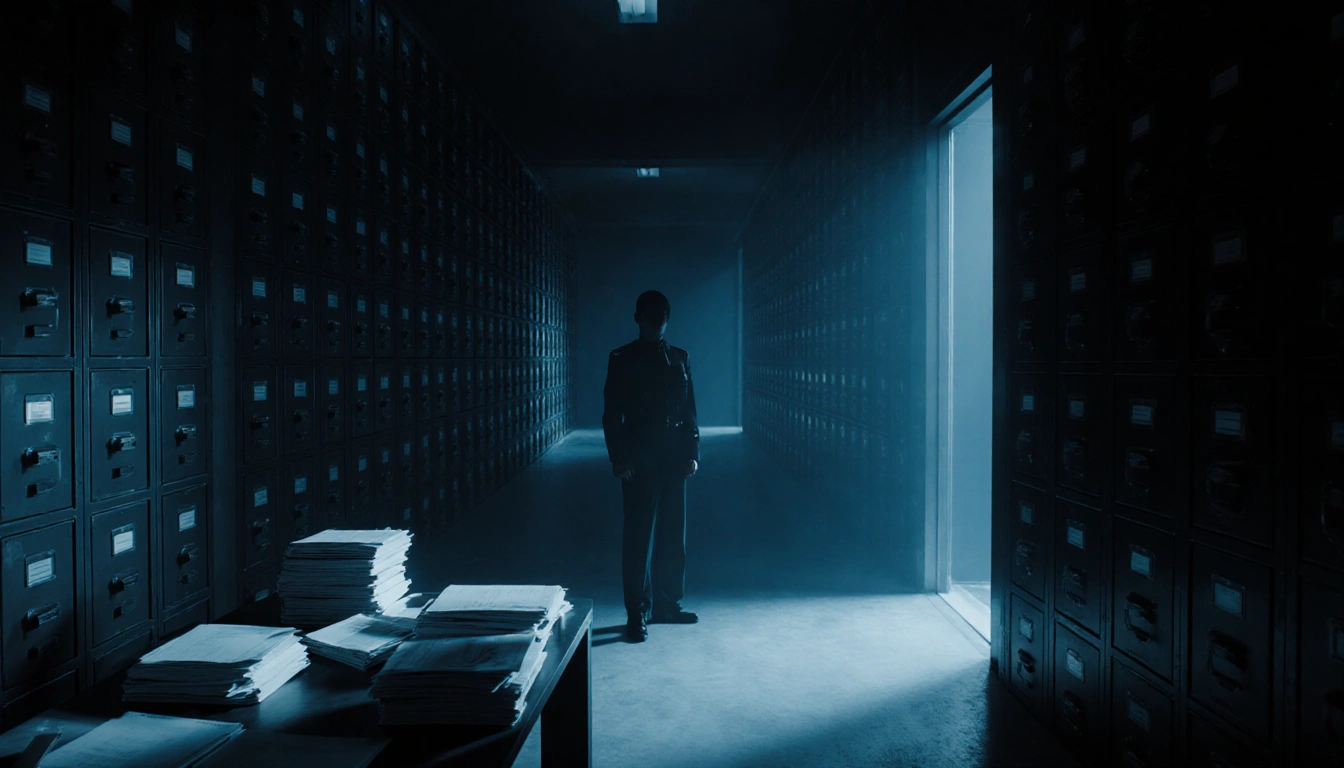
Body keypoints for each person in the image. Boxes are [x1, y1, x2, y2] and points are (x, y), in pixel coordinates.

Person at [603, 290, 701, 642]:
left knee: (674, 535)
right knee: (638, 538)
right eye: (650, 319)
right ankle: (636, 613)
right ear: (638, 319)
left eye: (661, 320)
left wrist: (693, 452)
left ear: (667, 321)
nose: (656, 326)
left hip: (674, 459)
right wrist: (620, 459)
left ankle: (667, 606)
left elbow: (689, 410)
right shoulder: (622, 358)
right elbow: (612, 415)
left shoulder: (679, 357)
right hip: (640, 459)